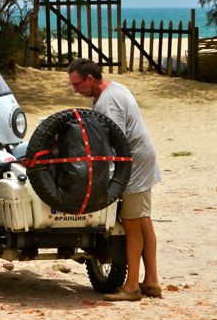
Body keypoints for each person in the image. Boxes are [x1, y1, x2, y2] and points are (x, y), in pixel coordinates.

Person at [67, 58, 162, 301]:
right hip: (140, 156)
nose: (75, 90)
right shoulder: (112, 89)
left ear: (90, 79)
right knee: (143, 221)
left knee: (131, 222)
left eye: (77, 85)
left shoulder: (108, 103)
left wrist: (104, 174)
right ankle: (151, 281)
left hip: (134, 161)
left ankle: (131, 287)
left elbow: (115, 141)